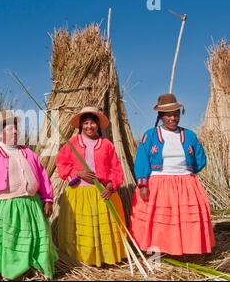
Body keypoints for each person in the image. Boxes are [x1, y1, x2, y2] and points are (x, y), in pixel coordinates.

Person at [0, 110, 58, 280]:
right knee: (4, 241)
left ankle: (31, 267)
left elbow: (42, 176)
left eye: (16, 129)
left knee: (30, 239)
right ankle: (0, 270)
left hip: (30, 205)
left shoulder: (29, 153)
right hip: (2, 206)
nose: (15, 132)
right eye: (10, 129)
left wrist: (47, 198)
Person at [130, 93, 215, 255]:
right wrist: (143, 183)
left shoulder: (189, 135)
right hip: (158, 183)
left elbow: (200, 158)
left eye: (176, 114)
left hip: (185, 184)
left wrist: (187, 173)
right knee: (162, 219)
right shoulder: (151, 135)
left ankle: (186, 249)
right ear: (161, 116)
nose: (173, 118)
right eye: (168, 115)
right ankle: (161, 250)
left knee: (184, 219)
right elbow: (142, 159)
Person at [56, 106, 126, 267]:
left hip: (102, 193)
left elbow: (116, 169)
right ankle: (82, 260)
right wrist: (77, 173)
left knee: (103, 229)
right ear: (81, 125)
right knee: (83, 230)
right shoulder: (72, 143)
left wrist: (110, 186)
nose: (89, 126)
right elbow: (62, 164)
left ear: (98, 125)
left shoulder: (106, 144)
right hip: (79, 192)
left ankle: (104, 258)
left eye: (92, 123)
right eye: (86, 123)